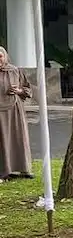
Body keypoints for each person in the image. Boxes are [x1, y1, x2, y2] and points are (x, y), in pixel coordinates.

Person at [0, 46, 33, 180]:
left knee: (18, 137)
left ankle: (23, 168)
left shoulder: (15, 71)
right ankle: (5, 170)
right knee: (2, 140)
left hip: (14, 110)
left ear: (5, 57)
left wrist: (19, 91)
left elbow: (27, 88)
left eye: (0, 56)